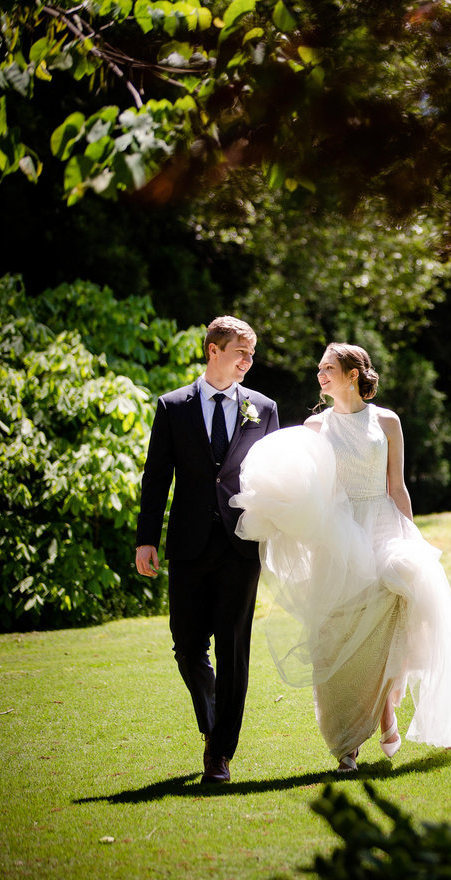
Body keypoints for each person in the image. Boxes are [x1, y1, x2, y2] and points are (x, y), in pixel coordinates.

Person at [230, 343, 451, 771]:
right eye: (319, 369)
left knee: (397, 601)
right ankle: (348, 741)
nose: (320, 375)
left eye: (328, 368)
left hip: (382, 524)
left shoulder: (387, 421)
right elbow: (308, 490)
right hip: (337, 533)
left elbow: (397, 485)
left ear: (353, 374)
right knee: (337, 636)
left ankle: (386, 710)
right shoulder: (314, 427)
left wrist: (413, 535)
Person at [135, 316, 280, 784]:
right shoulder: (173, 406)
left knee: (234, 649)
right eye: (241, 352)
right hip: (189, 544)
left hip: (242, 545)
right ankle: (213, 723)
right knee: (187, 645)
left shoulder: (263, 408)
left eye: (252, 354)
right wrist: (146, 538)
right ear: (213, 350)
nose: (248, 361)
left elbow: (278, 477)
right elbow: (156, 477)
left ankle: (219, 754)